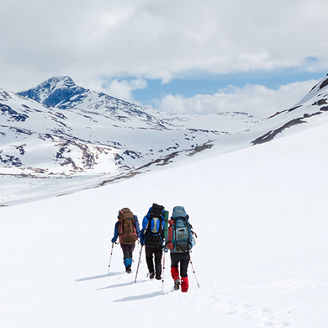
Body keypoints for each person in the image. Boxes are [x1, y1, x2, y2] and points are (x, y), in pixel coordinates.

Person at [166, 206, 195, 293]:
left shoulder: (172, 224)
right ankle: (184, 291)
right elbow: (192, 239)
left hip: (174, 252)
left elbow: (167, 239)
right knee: (184, 272)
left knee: (174, 267)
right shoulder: (187, 223)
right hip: (185, 251)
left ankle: (176, 278)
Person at [140, 203, 166, 280]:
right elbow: (164, 231)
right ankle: (158, 275)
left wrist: (142, 241)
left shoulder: (147, 218)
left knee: (149, 257)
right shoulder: (162, 219)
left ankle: (151, 272)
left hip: (148, 242)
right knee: (158, 260)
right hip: (159, 242)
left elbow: (143, 230)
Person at [111, 208, 140, 273]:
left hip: (123, 239)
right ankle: (129, 266)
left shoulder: (118, 223)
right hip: (132, 239)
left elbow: (116, 234)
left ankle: (128, 267)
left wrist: (113, 240)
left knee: (126, 252)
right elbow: (137, 228)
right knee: (130, 252)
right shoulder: (133, 220)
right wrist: (139, 236)